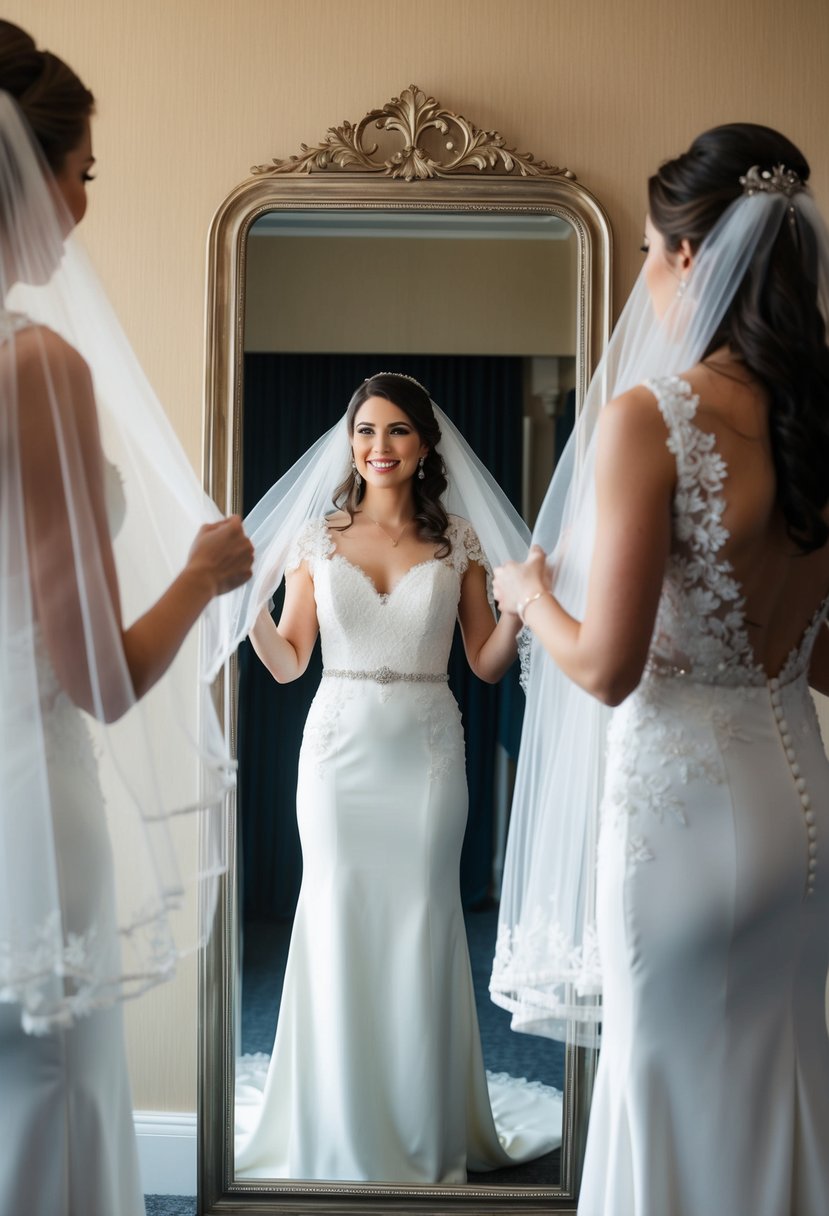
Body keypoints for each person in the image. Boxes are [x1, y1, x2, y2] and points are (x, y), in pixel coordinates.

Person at [491, 123, 829, 1215]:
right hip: (798, 813)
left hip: (676, 823)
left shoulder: (655, 419)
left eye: (648, 247)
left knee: (664, 1083)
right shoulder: (817, 425)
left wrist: (528, 597)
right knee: (779, 1081)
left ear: (693, 256)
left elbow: (604, 669)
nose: (644, 274)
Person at [0, 22, 253, 1216]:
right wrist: (203, 573)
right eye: (83, 170)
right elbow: (98, 677)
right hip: (25, 827)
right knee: (42, 1110)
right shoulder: (33, 368)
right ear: (27, 172)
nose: (85, 199)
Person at [228, 372, 562, 1182]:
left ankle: (420, 1124)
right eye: (365, 431)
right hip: (337, 750)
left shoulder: (458, 540)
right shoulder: (316, 539)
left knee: (421, 917)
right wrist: (247, 610)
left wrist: (522, 603)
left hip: (425, 750)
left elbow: (484, 665)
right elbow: (288, 662)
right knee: (337, 914)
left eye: (397, 432)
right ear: (350, 443)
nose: (379, 447)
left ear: (423, 447)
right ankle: (337, 1117)